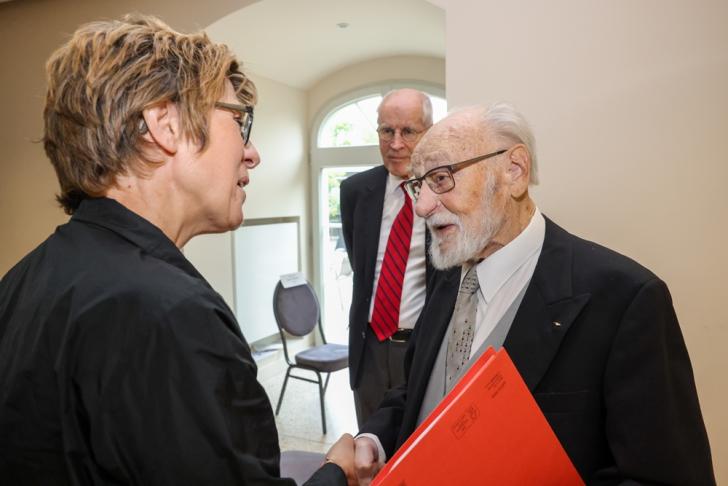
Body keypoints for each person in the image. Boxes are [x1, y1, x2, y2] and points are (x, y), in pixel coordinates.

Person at [0, 14, 354, 486]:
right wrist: (336, 474)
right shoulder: (169, 313)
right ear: (164, 123)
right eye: (238, 122)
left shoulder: (23, 279)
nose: (252, 154)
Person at [354, 103, 716, 484]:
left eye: (442, 179)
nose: (423, 206)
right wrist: (373, 439)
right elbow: (419, 389)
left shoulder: (626, 299)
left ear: (514, 171)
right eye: (418, 185)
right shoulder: (448, 277)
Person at [340, 89, 433, 427]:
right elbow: (360, 268)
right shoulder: (354, 191)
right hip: (370, 347)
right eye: (386, 131)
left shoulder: (445, 191)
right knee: (370, 447)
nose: (395, 144)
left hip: (421, 346)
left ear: (428, 133)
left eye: (408, 131)